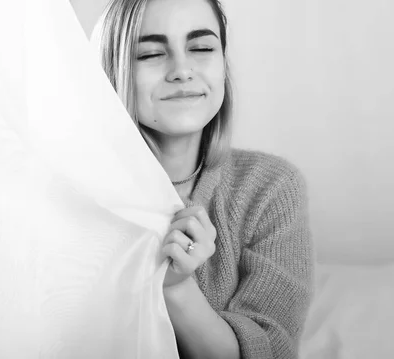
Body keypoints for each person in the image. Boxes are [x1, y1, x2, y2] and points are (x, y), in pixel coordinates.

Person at [97, 0, 314, 357]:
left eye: (201, 48)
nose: (182, 70)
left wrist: (178, 288)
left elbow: (271, 351)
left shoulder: (271, 188)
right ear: (112, 69)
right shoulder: (73, 195)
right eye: (150, 54)